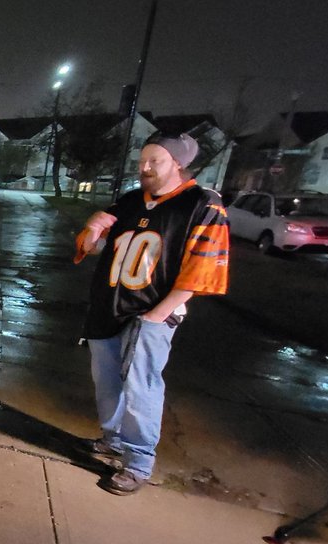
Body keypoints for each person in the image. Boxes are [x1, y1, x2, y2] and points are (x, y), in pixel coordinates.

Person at [73, 132, 230, 496]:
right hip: (107, 308)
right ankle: (112, 440)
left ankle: (139, 461)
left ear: (177, 163)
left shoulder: (202, 204)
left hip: (150, 313)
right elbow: (91, 248)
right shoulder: (129, 201)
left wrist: (158, 314)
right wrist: (92, 230)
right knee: (107, 382)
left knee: (141, 387)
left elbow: (202, 270)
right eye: (141, 161)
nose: (144, 168)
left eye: (154, 161)